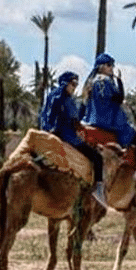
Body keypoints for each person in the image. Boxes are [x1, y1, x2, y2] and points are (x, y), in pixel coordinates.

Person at [82, 53, 136, 186]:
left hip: (92, 119)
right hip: (109, 121)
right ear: (101, 67)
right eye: (109, 65)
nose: (112, 68)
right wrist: (119, 81)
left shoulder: (91, 83)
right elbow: (119, 98)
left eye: (112, 65)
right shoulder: (106, 81)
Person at [40, 70, 107, 206]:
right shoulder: (62, 98)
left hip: (58, 134)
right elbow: (74, 121)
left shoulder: (56, 96)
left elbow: (50, 117)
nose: (75, 86)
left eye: (76, 84)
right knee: (97, 157)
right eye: (73, 83)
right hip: (67, 136)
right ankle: (98, 189)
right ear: (66, 83)